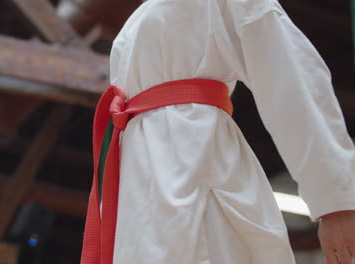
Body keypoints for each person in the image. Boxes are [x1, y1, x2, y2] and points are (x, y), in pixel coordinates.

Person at [81, 0, 355, 263]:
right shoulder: (137, 20)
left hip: (193, 156)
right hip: (135, 182)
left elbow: (291, 79)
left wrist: (335, 199)